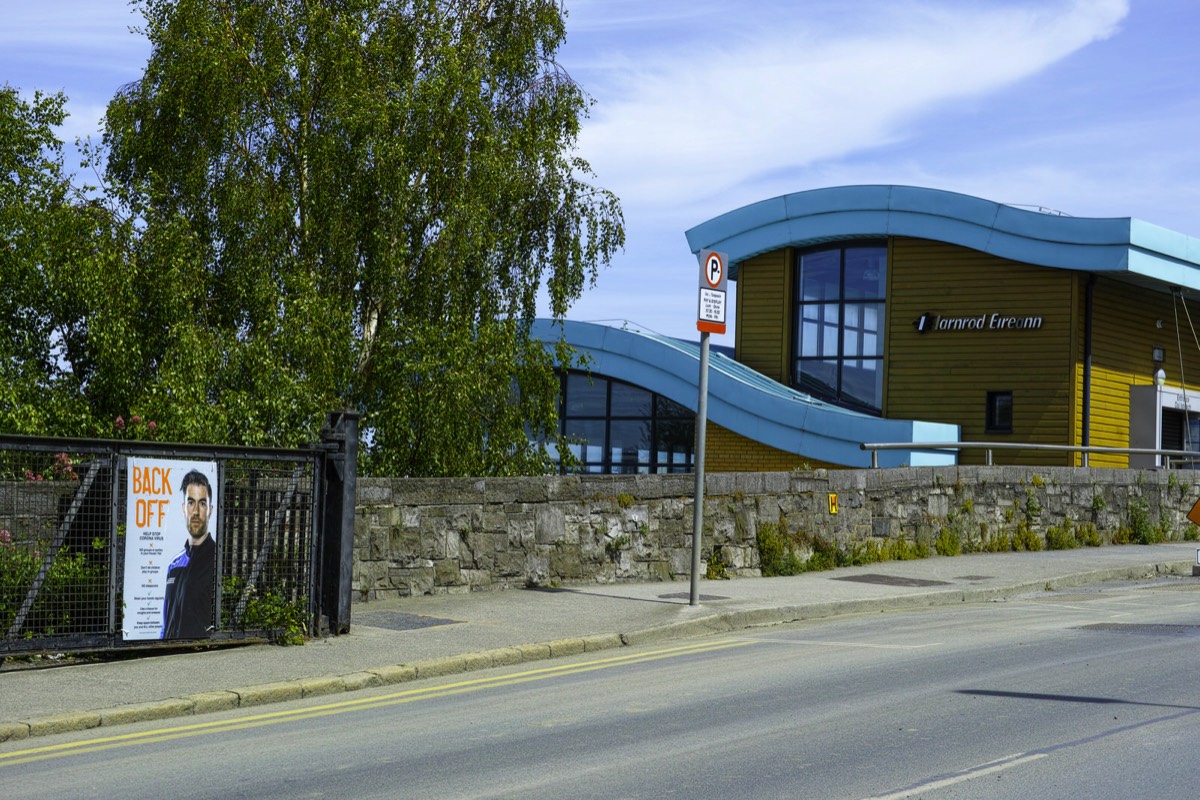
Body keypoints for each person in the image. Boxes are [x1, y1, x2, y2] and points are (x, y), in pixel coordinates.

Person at [161, 469, 216, 639]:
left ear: (210, 509)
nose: (196, 512)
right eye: (191, 502)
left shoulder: (216, 559)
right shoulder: (174, 565)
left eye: (202, 503)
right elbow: (165, 620)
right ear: (183, 508)